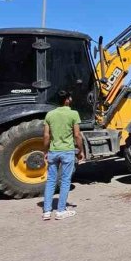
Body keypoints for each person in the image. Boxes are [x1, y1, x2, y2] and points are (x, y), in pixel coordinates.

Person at [42, 89, 84, 220]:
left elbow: (46, 135)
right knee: (65, 181)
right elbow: (77, 135)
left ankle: (46, 211)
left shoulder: (49, 115)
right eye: (70, 97)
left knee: (51, 181)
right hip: (67, 152)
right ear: (67, 100)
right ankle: (60, 211)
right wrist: (80, 151)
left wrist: (45, 151)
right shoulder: (73, 114)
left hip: (53, 152)